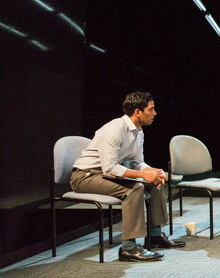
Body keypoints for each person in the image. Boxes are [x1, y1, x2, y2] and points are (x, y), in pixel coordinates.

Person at [71, 92, 185, 262]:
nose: (155, 113)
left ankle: (154, 236)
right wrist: (143, 175)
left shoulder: (138, 132)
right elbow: (110, 168)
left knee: (154, 183)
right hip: (85, 177)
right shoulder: (115, 129)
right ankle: (128, 248)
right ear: (137, 111)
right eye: (151, 109)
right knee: (134, 189)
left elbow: (137, 162)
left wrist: (153, 172)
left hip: (106, 175)